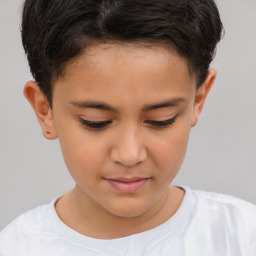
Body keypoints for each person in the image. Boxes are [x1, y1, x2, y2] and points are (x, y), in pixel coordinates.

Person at [0, 0, 255, 255]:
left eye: (161, 119)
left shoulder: (241, 236)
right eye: (95, 122)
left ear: (198, 100)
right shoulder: (16, 247)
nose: (130, 155)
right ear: (45, 110)